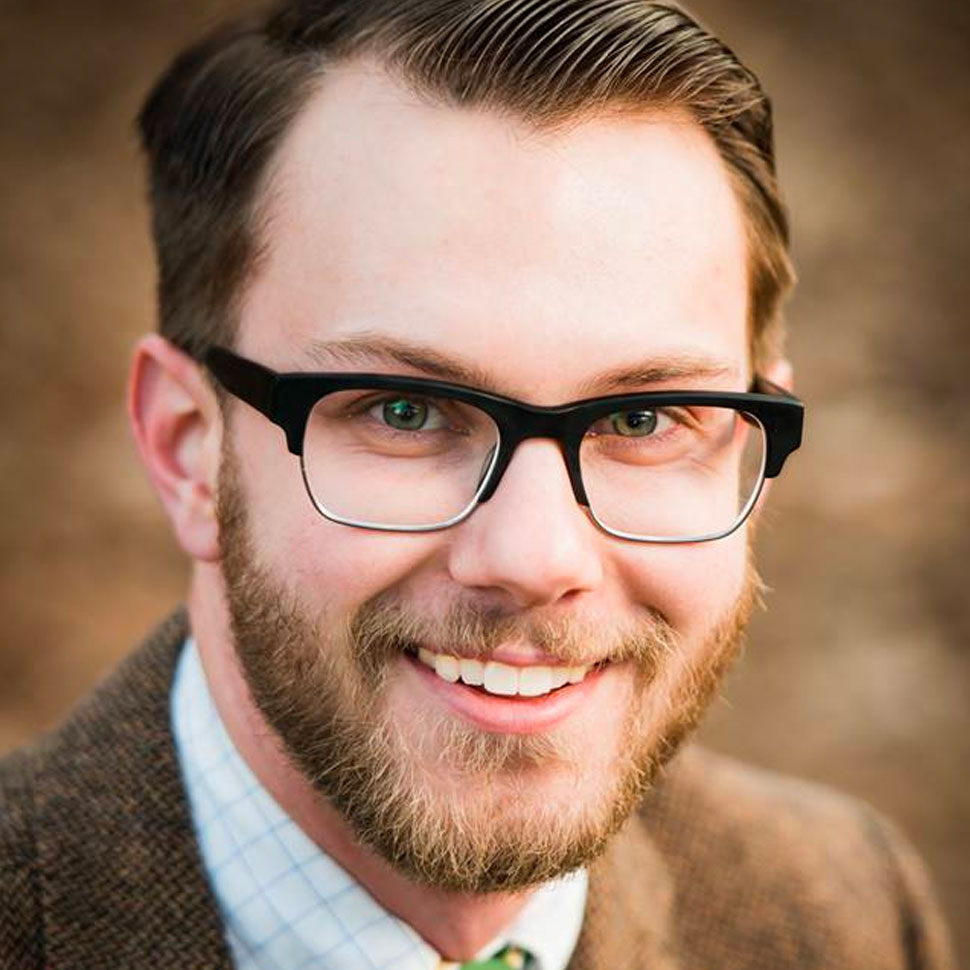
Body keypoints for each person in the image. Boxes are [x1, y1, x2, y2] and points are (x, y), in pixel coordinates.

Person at [0, 0, 956, 967]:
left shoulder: (844, 909)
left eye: (643, 418)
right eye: (404, 411)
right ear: (187, 447)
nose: (535, 559)